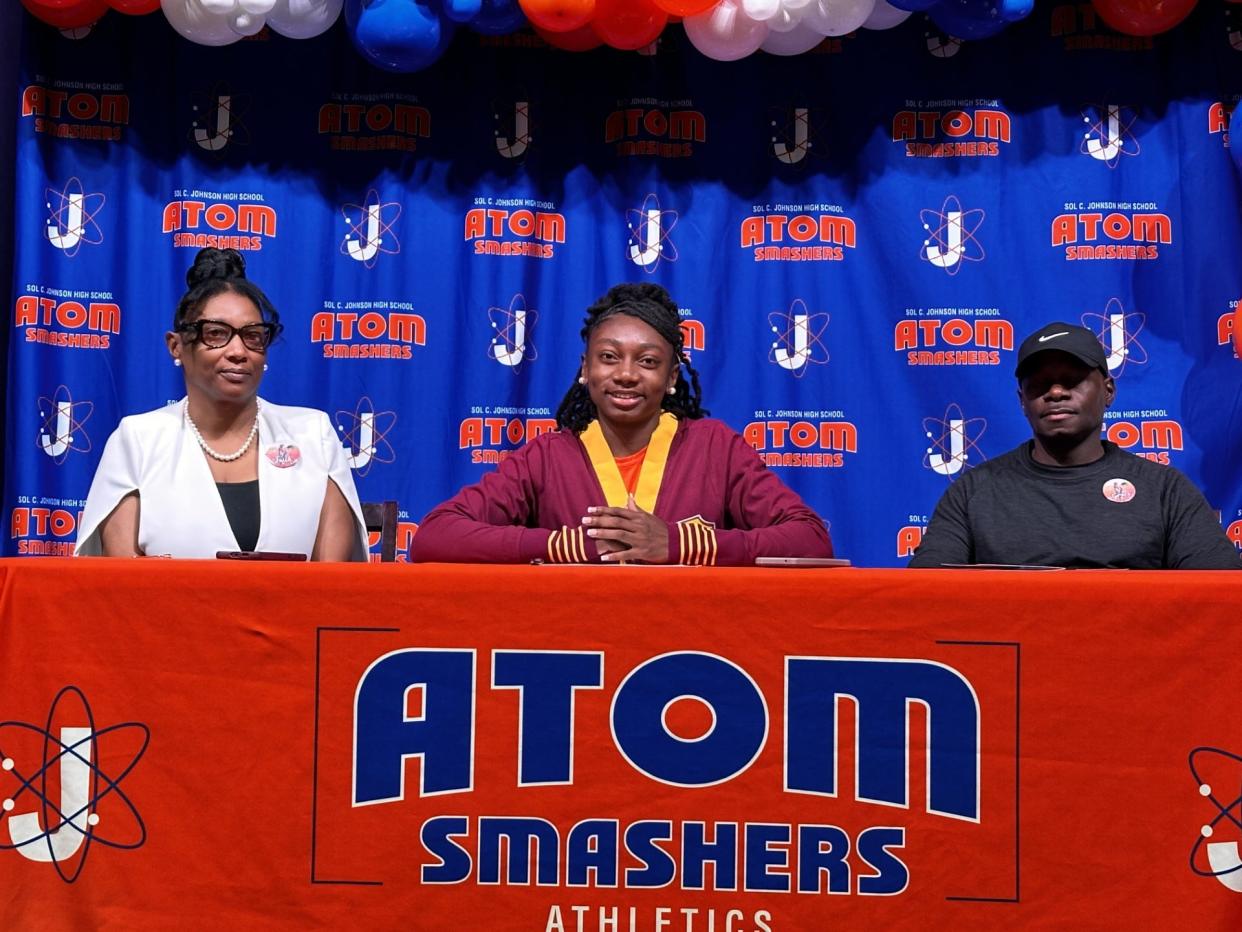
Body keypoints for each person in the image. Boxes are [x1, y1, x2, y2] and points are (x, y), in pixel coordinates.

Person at [412, 283, 832, 565]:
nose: (626, 374)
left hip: (693, 645)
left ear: (671, 378)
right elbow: (434, 537)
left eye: (648, 362)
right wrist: (566, 545)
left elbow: (811, 540)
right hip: (575, 646)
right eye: (609, 357)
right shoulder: (548, 455)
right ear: (585, 369)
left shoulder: (715, 447)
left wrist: (680, 544)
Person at [76, 247, 369, 560]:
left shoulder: (313, 434)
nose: (238, 351)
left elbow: (332, 580)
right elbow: (123, 579)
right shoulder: (138, 439)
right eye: (216, 334)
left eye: (253, 336)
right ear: (176, 346)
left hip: (296, 610)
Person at [909, 321, 1241, 569]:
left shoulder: (1164, 490)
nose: (1055, 393)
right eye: (1039, 385)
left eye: (1072, 380)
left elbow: (1220, 593)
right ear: (1022, 401)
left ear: (1109, 391)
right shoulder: (974, 491)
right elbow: (926, 593)